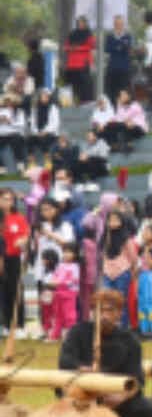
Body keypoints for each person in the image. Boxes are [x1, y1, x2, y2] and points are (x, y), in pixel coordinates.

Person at [58, 289, 152, 417]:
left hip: (114, 397)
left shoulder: (130, 341)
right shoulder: (78, 332)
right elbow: (65, 361)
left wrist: (121, 397)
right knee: (64, 393)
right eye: (100, 311)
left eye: (110, 311)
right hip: (83, 393)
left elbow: (137, 379)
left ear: (119, 313)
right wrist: (81, 369)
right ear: (94, 312)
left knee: (150, 410)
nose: (104, 316)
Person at [98, 210, 138, 326]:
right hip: (107, 273)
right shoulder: (105, 237)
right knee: (108, 300)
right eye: (110, 220)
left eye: (116, 220)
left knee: (121, 301)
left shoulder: (126, 238)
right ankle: (111, 324)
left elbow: (133, 257)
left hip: (122, 272)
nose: (113, 222)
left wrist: (133, 271)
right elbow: (103, 255)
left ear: (122, 221)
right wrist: (103, 271)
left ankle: (123, 326)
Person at [0, 189, 29, 332]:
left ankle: (19, 324)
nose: (8, 202)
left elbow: (26, 234)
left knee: (15, 290)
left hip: (13, 258)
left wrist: (23, 241)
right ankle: (4, 324)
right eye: (5, 199)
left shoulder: (18, 217)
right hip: (0, 258)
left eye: (11, 199)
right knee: (2, 292)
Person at [46, 245, 80, 340]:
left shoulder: (75, 267)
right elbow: (55, 276)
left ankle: (72, 336)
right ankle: (54, 335)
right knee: (57, 315)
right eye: (64, 252)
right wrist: (52, 282)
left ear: (75, 254)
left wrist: (60, 283)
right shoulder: (60, 265)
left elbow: (74, 280)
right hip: (58, 293)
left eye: (69, 252)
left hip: (69, 293)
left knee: (70, 315)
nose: (66, 254)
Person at [64, 16, 96, 103]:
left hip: (83, 64)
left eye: (82, 22)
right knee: (71, 87)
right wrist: (71, 48)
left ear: (86, 24)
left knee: (84, 88)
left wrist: (78, 48)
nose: (80, 24)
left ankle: (84, 103)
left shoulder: (89, 34)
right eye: (79, 22)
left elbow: (91, 46)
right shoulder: (72, 34)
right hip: (71, 65)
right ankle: (69, 104)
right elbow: (65, 47)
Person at [103, 15, 134, 105]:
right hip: (112, 68)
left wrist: (117, 46)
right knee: (111, 92)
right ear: (114, 24)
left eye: (120, 23)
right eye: (116, 23)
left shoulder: (128, 36)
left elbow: (128, 49)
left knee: (124, 91)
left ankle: (123, 112)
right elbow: (108, 49)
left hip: (124, 68)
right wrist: (120, 46)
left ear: (123, 24)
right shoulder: (110, 36)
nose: (118, 25)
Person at [107, 90, 148, 154]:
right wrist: (111, 120)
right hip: (126, 127)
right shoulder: (121, 107)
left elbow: (126, 118)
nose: (121, 97)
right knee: (110, 125)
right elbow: (118, 118)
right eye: (121, 96)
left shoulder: (135, 106)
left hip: (139, 128)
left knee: (125, 126)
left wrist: (119, 105)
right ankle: (114, 146)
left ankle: (128, 145)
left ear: (129, 97)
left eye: (124, 95)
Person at [29, 89, 60, 165]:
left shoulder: (53, 108)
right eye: (43, 96)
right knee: (29, 139)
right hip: (38, 132)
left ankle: (47, 160)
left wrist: (45, 131)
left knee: (44, 138)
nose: (45, 98)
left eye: (46, 96)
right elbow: (32, 123)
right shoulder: (35, 108)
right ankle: (31, 162)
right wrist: (36, 132)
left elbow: (56, 123)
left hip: (51, 132)